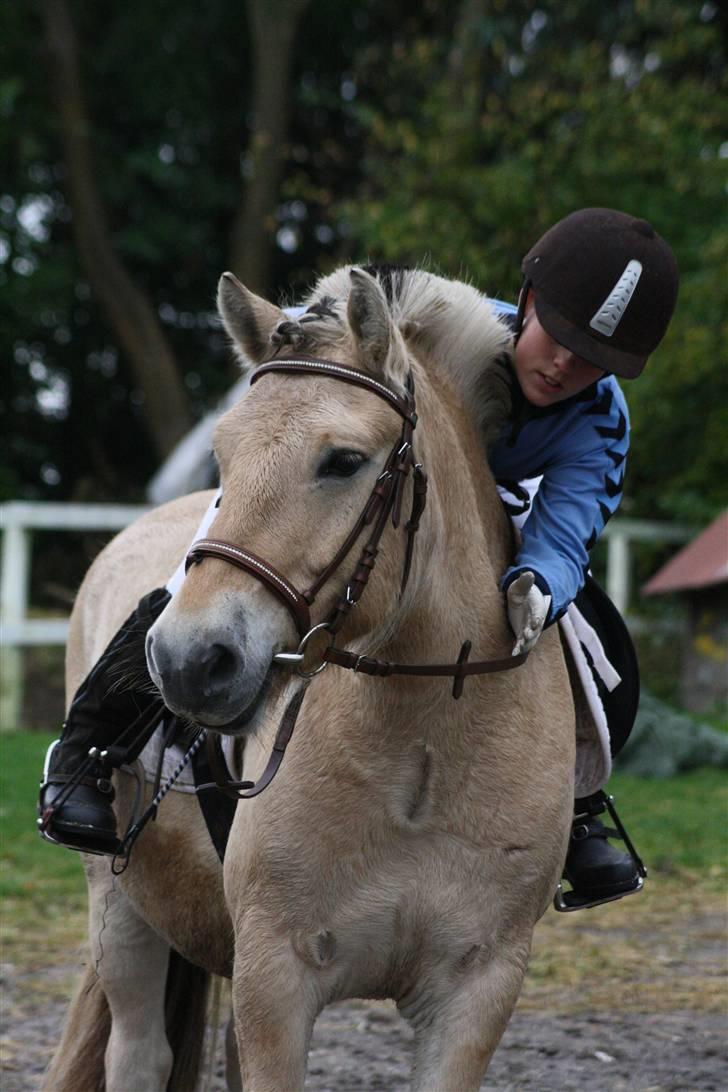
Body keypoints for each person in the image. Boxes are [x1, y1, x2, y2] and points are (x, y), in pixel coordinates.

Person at [39, 209, 679, 906]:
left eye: (596, 360)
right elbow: (317, 333)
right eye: (559, 337)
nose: (565, 365)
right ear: (527, 302)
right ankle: (86, 753)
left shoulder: (600, 415)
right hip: (357, 486)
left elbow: (571, 521)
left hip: (490, 510)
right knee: (196, 570)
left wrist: (542, 581)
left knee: (591, 624)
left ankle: (579, 804)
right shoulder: (442, 328)